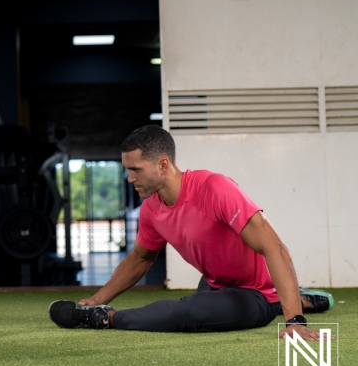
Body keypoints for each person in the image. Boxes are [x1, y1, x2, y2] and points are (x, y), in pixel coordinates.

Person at [49, 125, 333, 341]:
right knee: (202, 302)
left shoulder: (214, 188)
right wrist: (96, 299)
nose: (129, 178)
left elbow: (275, 248)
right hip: (216, 284)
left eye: (135, 169)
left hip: (254, 294)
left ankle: (103, 320)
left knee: (188, 312)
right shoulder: (151, 210)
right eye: (127, 170)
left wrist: (295, 320)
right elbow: (139, 259)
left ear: (162, 165)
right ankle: (303, 296)